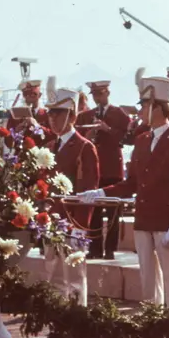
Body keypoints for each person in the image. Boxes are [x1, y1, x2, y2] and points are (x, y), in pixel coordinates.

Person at [81, 72, 169, 307]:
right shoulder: (142, 140)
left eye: (144, 106)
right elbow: (132, 183)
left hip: (166, 221)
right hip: (144, 219)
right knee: (148, 282)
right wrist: (102, 193)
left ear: (159, 108)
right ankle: (153, 326)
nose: (140, 112)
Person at [45, 87, 98, 321]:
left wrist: (80, 226)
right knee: (54, 277)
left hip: (72, 223)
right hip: (52, 222)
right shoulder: (50, 146)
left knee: (74, 278)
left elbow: (88, 191)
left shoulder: (85, 147)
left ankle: (76, 325)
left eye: (59, 112)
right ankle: (58, 325)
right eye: (51, 113)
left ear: (73, 116)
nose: (53, 117)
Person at [76, 79, 132, 260]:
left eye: (100, 94)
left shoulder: (120, 114)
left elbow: (124, 139)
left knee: (113, 210)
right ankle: (94, 248)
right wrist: (90, 133)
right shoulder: (86, 116)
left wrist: (107, 129)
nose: (97, 98)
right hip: (95, 167)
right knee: (94, 210)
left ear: (107, 93)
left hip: (112, 167)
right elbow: (80, 139)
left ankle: (110, 249)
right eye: (94, 95)